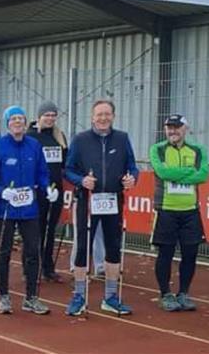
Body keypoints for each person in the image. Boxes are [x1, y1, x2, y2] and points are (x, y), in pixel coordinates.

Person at [64, 99, 138, 316]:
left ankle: (111, 297)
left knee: (113, 248)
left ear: (113, 116)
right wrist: (81, 181)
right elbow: (68, 169)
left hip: (113, 200)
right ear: (92, 117)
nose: (103, 118)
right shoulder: (80, 139)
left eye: (107, 114)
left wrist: (131, 178)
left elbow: (132, 166)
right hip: (88, 200)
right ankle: (78, 295)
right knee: (82, 248)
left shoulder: (122, 139)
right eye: (99, 114)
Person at [0, 106, 56, 315]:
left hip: (29, 208)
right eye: (13, 119)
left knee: (33, 250)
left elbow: (42, 173)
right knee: (4, 251)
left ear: (25, 122)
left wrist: (48, 188)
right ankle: (4, 296)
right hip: (5, 207)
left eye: (20, 118)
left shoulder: (34, 145)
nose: (17, 122)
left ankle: (31, 297)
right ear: (7, 123)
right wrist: (1, 191)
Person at [149, 114, 209, 312]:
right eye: (169, 127)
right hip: (166, 209)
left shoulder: (198, 150)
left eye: (177, 127)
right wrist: (188, 174)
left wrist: (176, 173)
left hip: (190, 210)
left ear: (185, 129)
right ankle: (165, 293)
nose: (173, 131)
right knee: (165, 253)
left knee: (190, 253)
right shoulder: (157, 149)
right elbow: (163, 173)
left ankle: (183, 292)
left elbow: (204, 175)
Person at [26, 101, 68, 283]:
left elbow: (65, 162)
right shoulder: (31, 136)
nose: (50, 118)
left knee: (51, 229)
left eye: (53, 115)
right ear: (39, 116)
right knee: (36, 230)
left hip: (56, 190)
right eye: (47, 115)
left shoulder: (59, 136)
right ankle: (30, 268)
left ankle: (48, 267)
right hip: (37, 191)